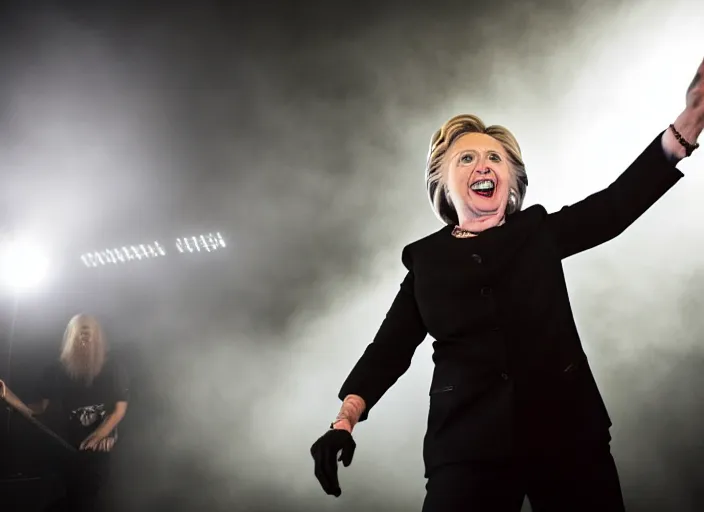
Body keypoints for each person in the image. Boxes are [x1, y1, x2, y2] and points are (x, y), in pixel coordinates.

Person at [311, 57, 704, 511]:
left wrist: (689, 122)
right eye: (467, 158)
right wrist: (344, 422)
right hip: (466, 446)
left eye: (495, 158)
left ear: (512, 181)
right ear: (442, 182)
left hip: (568, 434)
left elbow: (614, 207)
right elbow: (388, 351)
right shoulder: (425, 260)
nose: (484, 165)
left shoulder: (537, 232)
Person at [29, 313, 129, 512]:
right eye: (80, 331)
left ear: (98, 337)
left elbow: (120, 408)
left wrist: (100, 433)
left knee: (90, 498)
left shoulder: (113, 367)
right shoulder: (56, 370)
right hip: (68, 450)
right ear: (71, 337)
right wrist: (10, 398)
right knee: (72, 499)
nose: (85, 336)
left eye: (89, 331)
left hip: (101, 451)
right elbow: (40, 408)